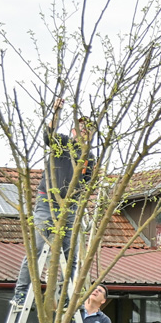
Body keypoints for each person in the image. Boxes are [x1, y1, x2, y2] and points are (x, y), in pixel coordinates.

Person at [12, 112, 95, 305]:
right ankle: (21, 293)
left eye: (88, 130)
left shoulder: (89, 158)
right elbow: (48, 134)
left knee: (70, 254)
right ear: (74, 130)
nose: (84, 132)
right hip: (47, 203)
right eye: (81, 128)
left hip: (69, 208)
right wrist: (56, 113)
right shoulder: (62, 143)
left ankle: (66, 295)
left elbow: (87, 184)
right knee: (36, 249)